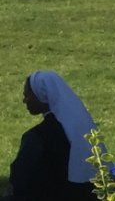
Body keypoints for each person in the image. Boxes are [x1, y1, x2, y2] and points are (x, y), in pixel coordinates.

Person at [6, 71, 97, 201]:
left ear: (41, 96)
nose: (24, 100)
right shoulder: (80, 129)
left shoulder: (37, 136)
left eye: (27, 95)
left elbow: (19, 178)